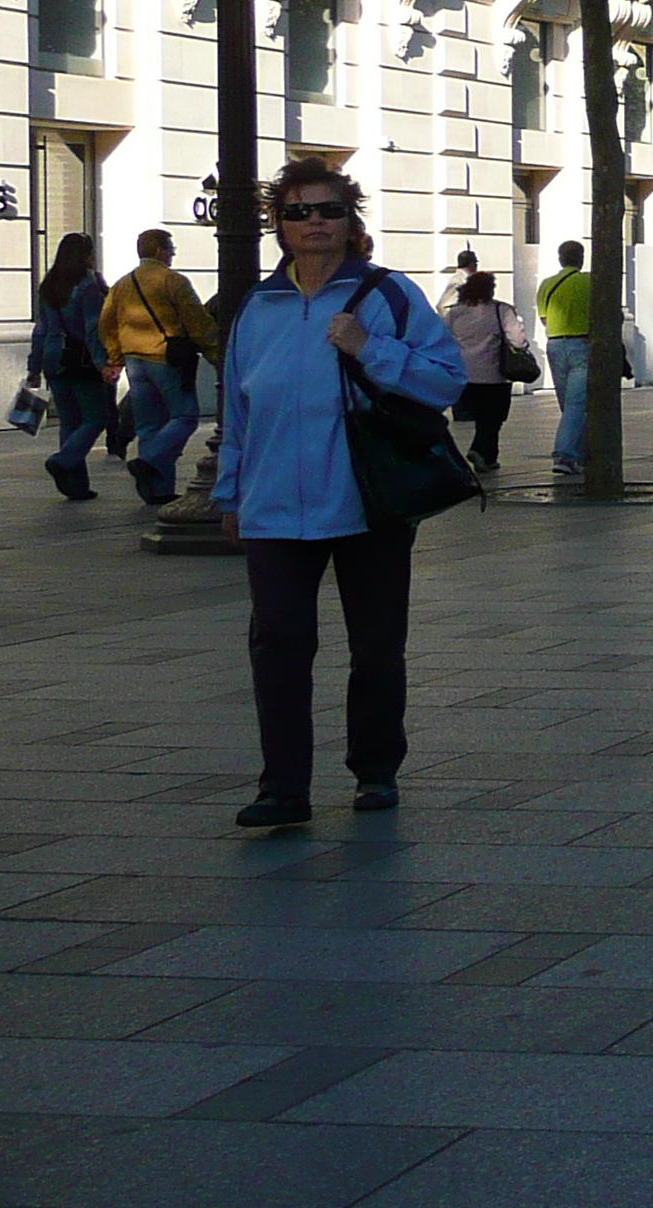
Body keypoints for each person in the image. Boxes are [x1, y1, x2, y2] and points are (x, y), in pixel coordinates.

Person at [215, 159, 468, 828]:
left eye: (328, 210)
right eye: (298, 212)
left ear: (351, 221)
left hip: (367, 501)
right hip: (271, 508)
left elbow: (446, 380)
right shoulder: (257, 306)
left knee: (377, 647)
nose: (314, 222)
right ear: (280, 226)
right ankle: (283, 788)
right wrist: (229, 493)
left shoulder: (387, 295)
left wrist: (370, 349)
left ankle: (376, 770)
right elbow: (237, 410)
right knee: (278, 644)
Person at [99, 227, 218, 504]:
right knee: (185, 416)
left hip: (135, 362)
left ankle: (158, 490)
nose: (173, 253)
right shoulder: (173, 281)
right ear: (158, 250)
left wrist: (115, 357)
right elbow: (196, 320)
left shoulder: (122, 284)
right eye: (170, 248)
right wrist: (215, 352)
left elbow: (106, 323)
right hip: (167, 359)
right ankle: (150, 462)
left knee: (149, 425)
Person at [25, 231, 113, 501]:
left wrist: (34, 366)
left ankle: (76, 484)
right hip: (80, 358)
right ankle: (64, 461)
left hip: (53, 357)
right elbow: (91, 329)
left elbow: (41, 329)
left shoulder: (49, 284)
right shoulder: (87, 285)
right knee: (97, 417)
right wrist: (102, 363)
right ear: (85, 255)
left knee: (70, 420)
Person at [444, 271, 532, 472]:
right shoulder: (501, 310)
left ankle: (487, 456)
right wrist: (521, 347)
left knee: (482, 418)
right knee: (492, 418)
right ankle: (481, 451)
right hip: (494, 374)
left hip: (465, 374)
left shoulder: (455, 313)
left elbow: (443, 337)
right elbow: (517, 339)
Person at [536, 240, 593, 474]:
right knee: (576, 403)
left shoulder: (547, 285)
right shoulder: (590, 281)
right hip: (582, 344)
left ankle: (578, 454)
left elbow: (544, 319)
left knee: (567, 403)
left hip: (555, 344)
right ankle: (565, 455)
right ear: (582, 258)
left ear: (560, 258)